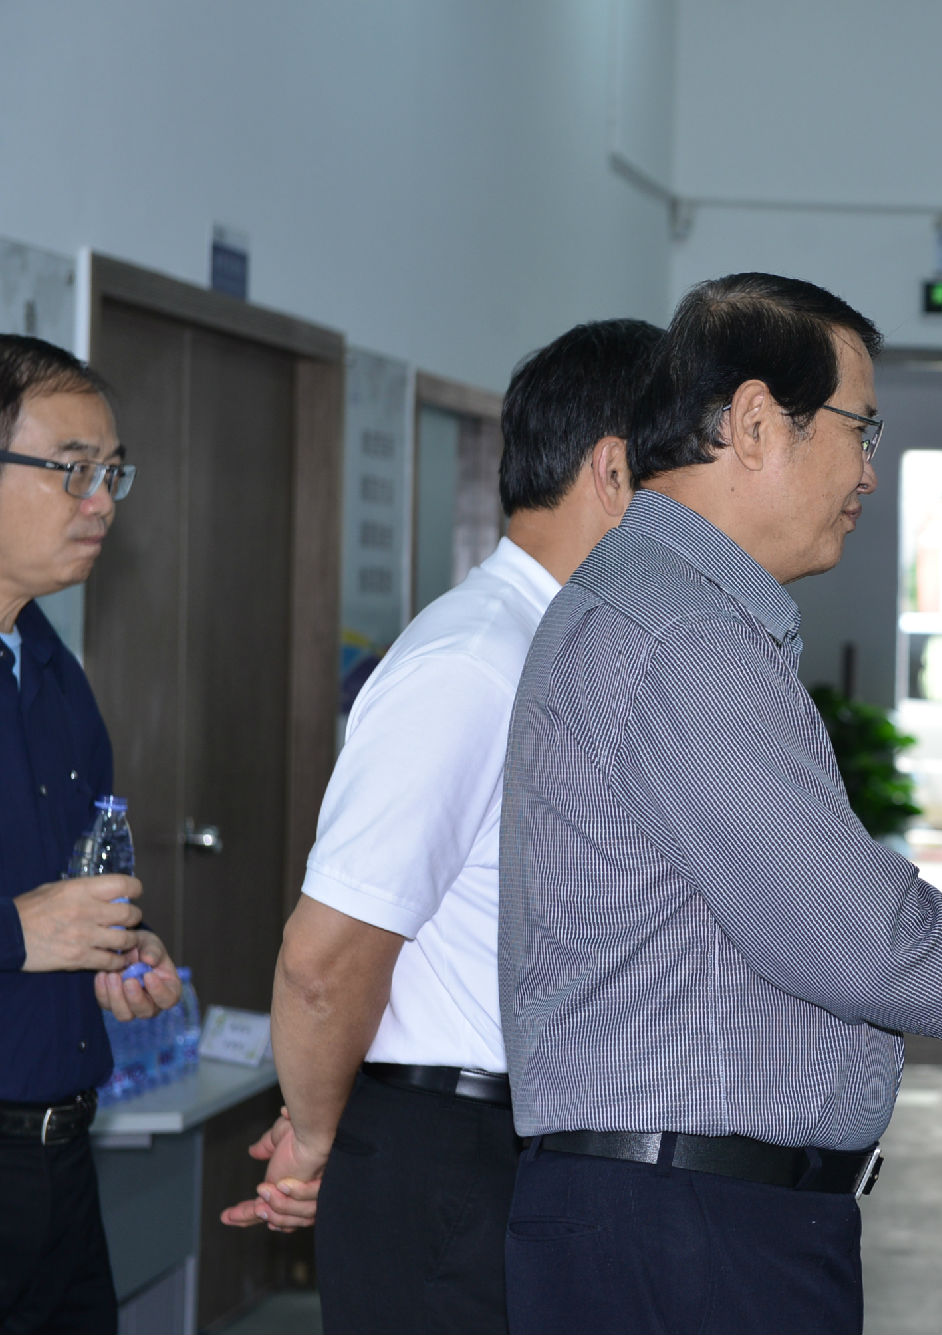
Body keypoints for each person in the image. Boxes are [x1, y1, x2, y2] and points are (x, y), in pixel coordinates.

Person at [497, 272, 942, 1335]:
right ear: (754, 423)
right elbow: (852, 938)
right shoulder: (685, 637)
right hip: (685, 1237)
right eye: (860, 429)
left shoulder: (659, 609)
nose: (870, 472)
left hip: (680, 1218)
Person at [216, 320, 666, 1333]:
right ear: (613, 472)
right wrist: (317, 1136)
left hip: (519, 1141)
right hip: (445, 1152)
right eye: (685, 481)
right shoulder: (473, 663)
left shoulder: (556, 647)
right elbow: (326, 958)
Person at [0, 335, 183, 1332]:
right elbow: (26, 923)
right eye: (72, 470)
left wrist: (118, 949)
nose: (103, 501)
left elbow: (64, 891)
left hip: (63, 1153)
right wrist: (19, 932)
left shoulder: (52, 670)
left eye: (113, 472)